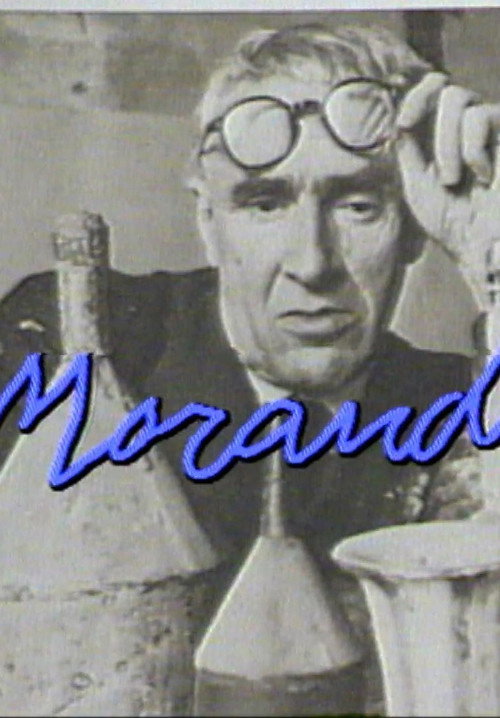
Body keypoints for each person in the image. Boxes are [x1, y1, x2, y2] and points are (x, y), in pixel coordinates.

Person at [0, 21, 497, 710]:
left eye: (359, 205)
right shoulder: (63, 346)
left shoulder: (456, 407)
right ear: (208, 220)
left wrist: (494, 264)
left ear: (414, 226)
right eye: (265, 203)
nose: (312, 263)